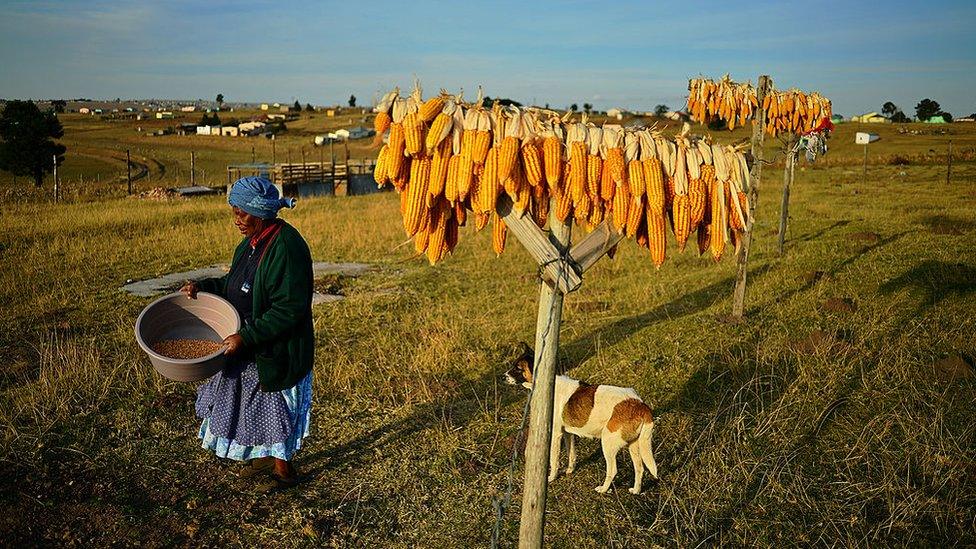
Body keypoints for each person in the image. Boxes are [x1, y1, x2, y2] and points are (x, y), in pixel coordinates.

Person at [180, 176, 314, 491]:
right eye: (234, 211)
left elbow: (289, 309)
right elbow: (234, 286)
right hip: (249, 340)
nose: (237, 220)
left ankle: (283, 471)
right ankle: (261, 459)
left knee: (273, 409)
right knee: (249, 405)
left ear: (262, 212)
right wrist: (204, 287)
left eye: (243, 213)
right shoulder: (251, 243)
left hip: (276, 346)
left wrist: (248, 337)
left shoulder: (286, 246)